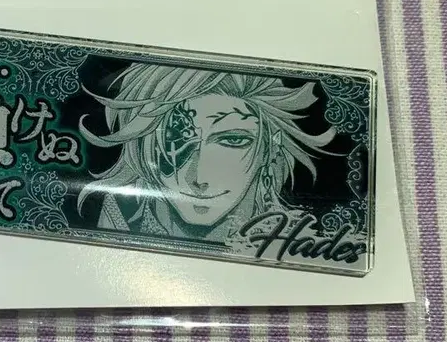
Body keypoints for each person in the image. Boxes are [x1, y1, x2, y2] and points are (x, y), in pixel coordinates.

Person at [78, 63, 335, 244]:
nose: (199, 177)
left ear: (271, 145)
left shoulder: (298, 240)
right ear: (142, 141)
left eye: (233, 140)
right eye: (176, 141)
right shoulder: (117, 215)